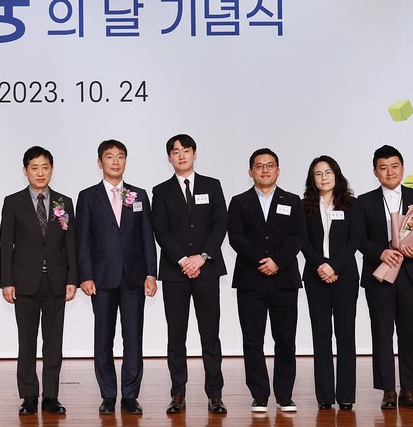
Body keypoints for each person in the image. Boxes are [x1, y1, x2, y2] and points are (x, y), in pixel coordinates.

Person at [75, 139, 157, 415]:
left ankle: (130, 395)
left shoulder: (138, 194)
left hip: (134, 278)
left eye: (120, 156)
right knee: (103, 339)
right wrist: (85, 276)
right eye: (110, 157)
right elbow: (82, 240)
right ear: (100, 162)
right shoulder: (88, 196)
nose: (115, 162)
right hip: (101, 278)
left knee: (133, 338)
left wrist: (151, 273)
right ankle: (108, 395)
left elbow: (147, 237)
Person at [357, 145, 413, 410]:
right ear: (375, 172)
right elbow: (358, 238)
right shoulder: (363, 201)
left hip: (412, 274)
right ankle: (388, 391)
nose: (389, 172)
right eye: (383, 168)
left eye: (394, 166)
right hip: (380, 275)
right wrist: (380, 252)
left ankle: (409, 390)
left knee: (410, 332)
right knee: (381, 333)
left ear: (403, 168)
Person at [151, 134, 228, 414]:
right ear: (169, 157)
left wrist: (201, 257)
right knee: (176, 335)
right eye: (175, 152)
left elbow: (220, 225)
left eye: (186, 150)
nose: (181, 155)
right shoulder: (160, 191)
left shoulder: (212, 185)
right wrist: (184, 260)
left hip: (207, 270)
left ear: (195, 153)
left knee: (210, 335)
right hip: (175, 273)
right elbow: (161, 231)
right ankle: (178, 393)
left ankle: (215, 394)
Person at [0, 146, 78, 415]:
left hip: (56, 281)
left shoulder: (64, 202)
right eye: (34, 168)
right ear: (25, 171)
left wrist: (72, 278)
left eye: (45, 167)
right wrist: (6, 281)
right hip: (24, 282)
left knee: (54, 342)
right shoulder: (13, 202)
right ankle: (29, 396)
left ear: (52, 170)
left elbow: (70, 243)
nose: (40, 173)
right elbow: (6, 245)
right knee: (27, 342)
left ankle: (51, 396)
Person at [227, 148, 304, 413]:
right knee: (252, 340)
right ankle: (259, 395)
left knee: (285, 340)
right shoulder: (239, 202)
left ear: (278, 170)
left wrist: (278, 262)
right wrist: (262, 260)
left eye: (270, 165)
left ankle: (284, 395)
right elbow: (236, 237)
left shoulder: (292, 201)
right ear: (250, 172)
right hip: (251, 280)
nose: (265, 170)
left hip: (284, 280)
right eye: (259, 166)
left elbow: (298, 236)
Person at [301, 156, 362, 410]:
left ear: (336, 175)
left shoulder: (352, 204)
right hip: (315, 277)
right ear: (312, 179)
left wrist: (334, 267)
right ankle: (325, 396)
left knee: (346, 336)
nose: (324, 177)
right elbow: (302, 241)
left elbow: (355, 240)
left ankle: (346, 395)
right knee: (321, 336)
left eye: (328, 172)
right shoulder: (305, 206)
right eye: (318, 174)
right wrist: (321, 266)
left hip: (345, 277)